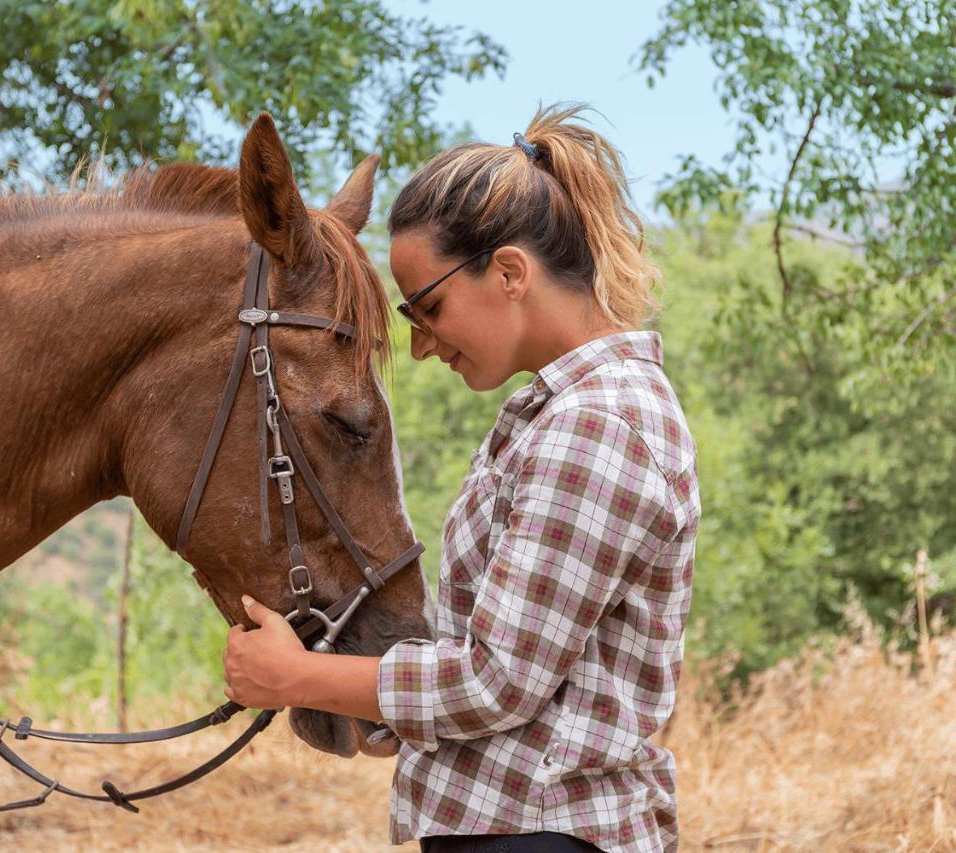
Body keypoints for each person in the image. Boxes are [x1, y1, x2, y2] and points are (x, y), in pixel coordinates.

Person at [223, 103, 700, 853]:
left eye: (429, 307)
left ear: (509, 271)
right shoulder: (554, 414)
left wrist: (300, 677)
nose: (417, 345)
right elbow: (504, 660)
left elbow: (495, 682)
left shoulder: (598, 424)